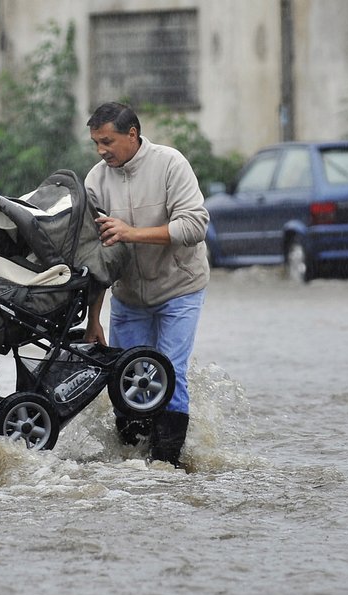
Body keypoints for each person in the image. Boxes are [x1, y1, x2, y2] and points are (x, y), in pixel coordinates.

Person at [83, 102, 209, 468]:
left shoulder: (170, 164)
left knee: (169, 372)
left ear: (132, 134)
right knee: (129, 379)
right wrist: (94, 319)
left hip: (179, 287)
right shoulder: (95, 180)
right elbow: (97, 257)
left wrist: (131, 233)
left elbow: (195, 226)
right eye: (95, 143)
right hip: (129, 294)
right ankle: (134, 470)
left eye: (107, 141)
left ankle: (166, 469)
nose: (101, 150)